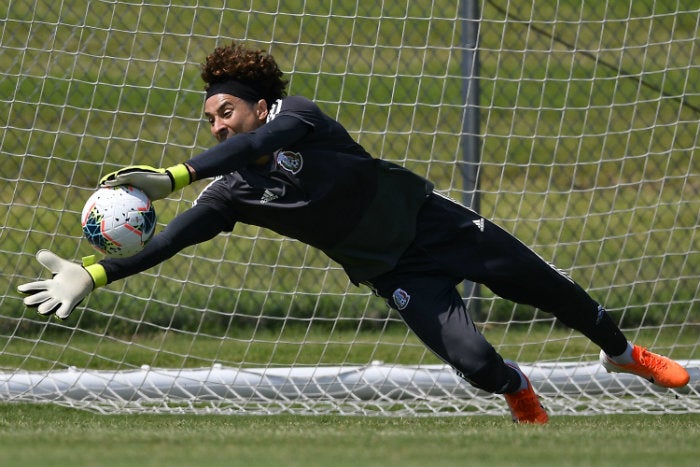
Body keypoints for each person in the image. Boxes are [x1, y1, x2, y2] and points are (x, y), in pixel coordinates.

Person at [18, 42, 689, 423]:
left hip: (438, 224)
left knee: (554, 292)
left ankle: (622, 354)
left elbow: (250, 147)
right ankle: (516, 384)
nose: (218, 126)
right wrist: (94, 270)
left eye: (226, 111)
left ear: (258, 103)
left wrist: (173, 173)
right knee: (476, 364)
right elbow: (174, 238)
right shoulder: (233, 193)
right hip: (394, 271)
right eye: (209, 119)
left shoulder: (300, 118)